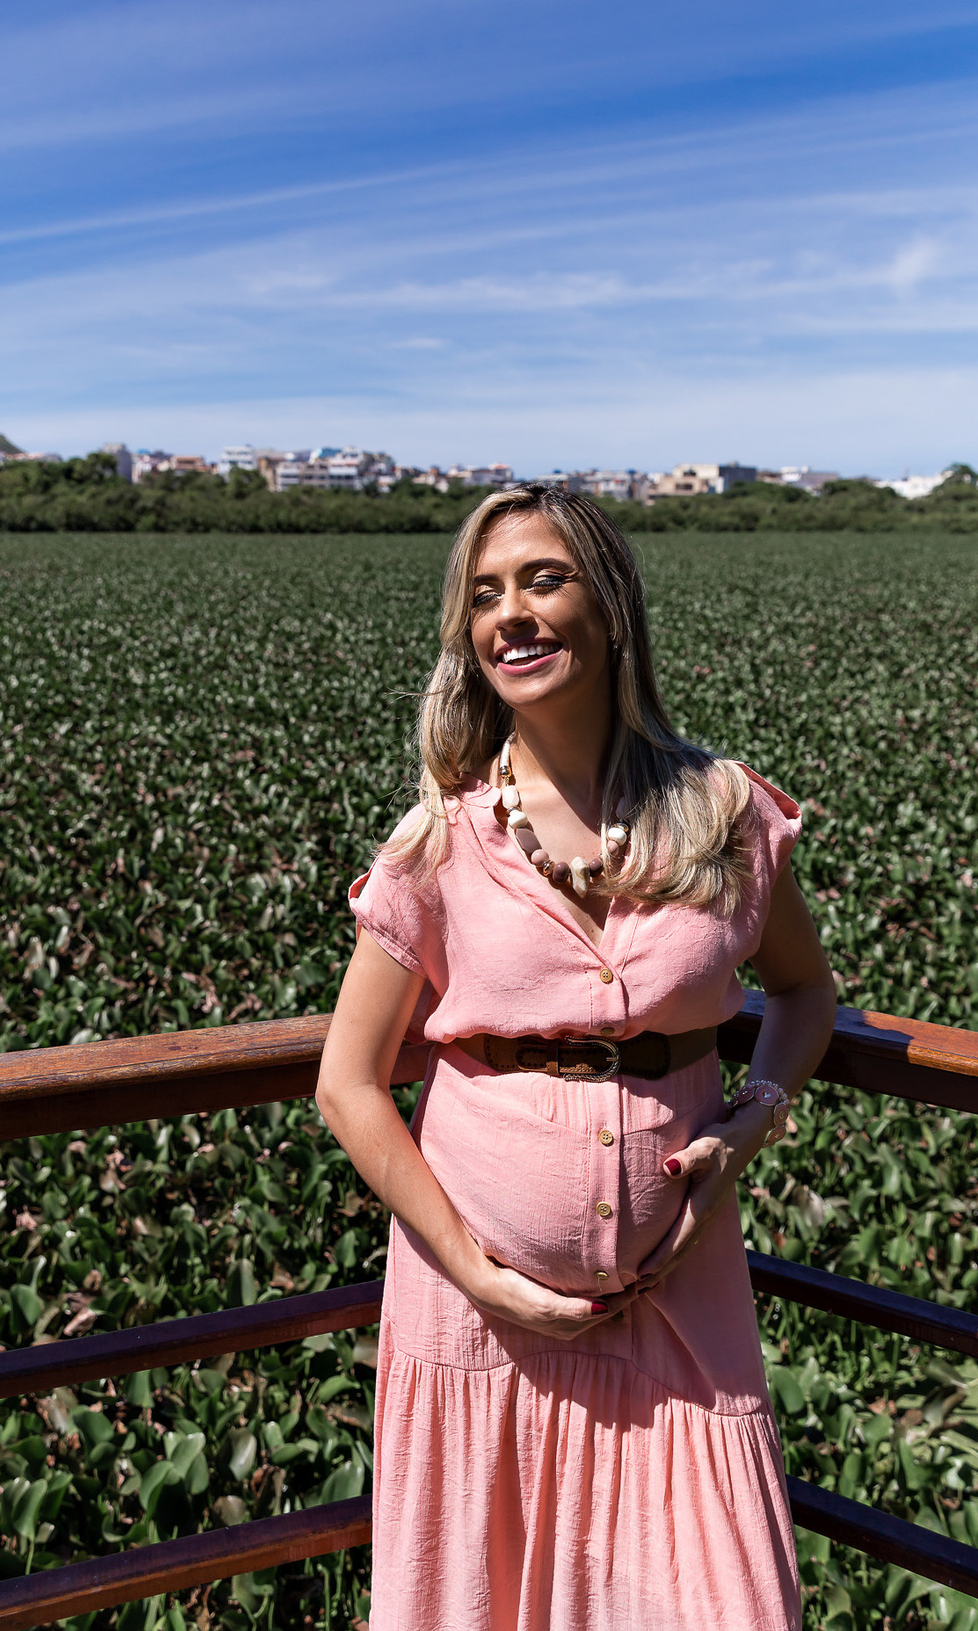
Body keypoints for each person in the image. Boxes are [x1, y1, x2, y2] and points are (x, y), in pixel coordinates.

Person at [316, 485, 836, 1631]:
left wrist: (757, 1114)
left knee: (727, 1600)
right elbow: (349, 1085)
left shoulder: (725, 813)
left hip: (678, 1298)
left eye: (543, 580)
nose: (513, 614)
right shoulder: (438, 841)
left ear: (609, 606)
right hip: (476, 1320)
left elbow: (804, 991)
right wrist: (477, 1270)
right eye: (485, 595)